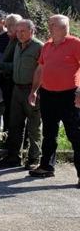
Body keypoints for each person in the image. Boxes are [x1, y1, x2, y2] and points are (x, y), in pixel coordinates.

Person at [28, 15, 80, 186]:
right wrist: (34, 91)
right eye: (49, 24)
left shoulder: (75, 43)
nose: (49, 28)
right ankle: (46, 167)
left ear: (64, 27)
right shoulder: (47, 46)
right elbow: (40, 69)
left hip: (70, 95)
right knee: (49, 133)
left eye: (53, 25)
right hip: (48, 94)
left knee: (75, 135)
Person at [0, 19, 43, 168]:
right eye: (18, 31)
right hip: (17, 89)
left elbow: (43, 71)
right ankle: (14, 157)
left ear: (32, 31)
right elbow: (15, 66)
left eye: (23, 31)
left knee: (34, 126)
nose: (19, 34)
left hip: (32, 90)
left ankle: (34, 159)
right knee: (15, 125)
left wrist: (35, 91)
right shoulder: (17, 45)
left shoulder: (39, 47)